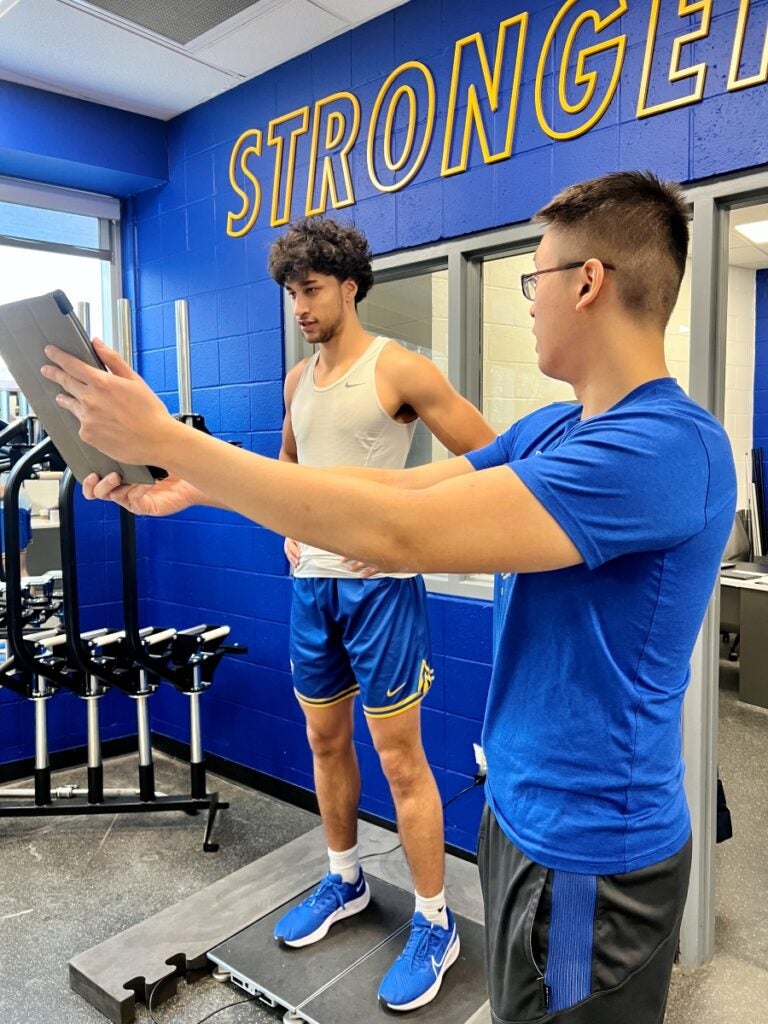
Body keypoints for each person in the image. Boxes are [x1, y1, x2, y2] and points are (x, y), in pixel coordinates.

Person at [43, 170, 737, 1024]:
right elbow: (405, 497)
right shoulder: (555, 430)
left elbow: (400, 537)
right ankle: (349, 881)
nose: (527, 302)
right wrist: (194, 477)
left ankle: (432, 924)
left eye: (536, 277)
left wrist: (161, 436)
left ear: (588, 282)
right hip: (518, 813)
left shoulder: (665, 449)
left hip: (590, 846)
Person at [266, 217, 494, 1010]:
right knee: (325, 739)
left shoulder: (399, 368)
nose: (300, 305)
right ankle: (346, 881)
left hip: (381, 592)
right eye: (292, 293)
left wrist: (414, 547)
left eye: (312, 289)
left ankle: (436, 922)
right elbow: (291, 470)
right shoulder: (298, 381)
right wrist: (295, 533)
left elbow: (491, 460)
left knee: (400, 760)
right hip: (311, 589)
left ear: (350, 286)